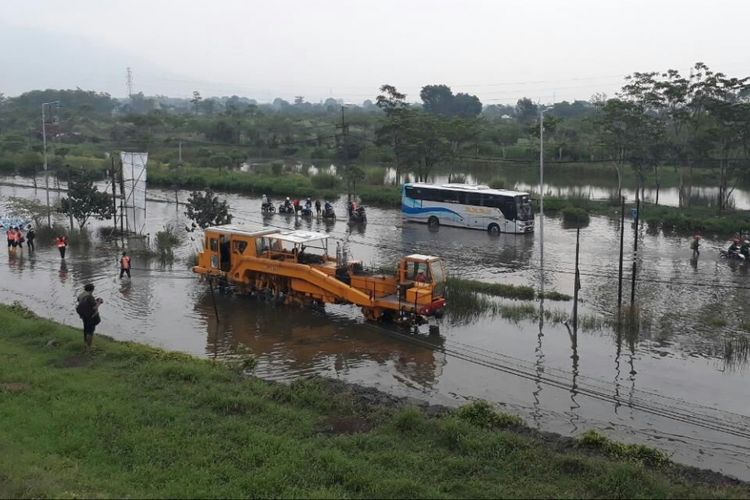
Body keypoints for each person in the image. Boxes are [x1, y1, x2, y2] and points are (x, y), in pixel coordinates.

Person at [76, 283, 103, 349]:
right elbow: (94, 307)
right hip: (91, 316)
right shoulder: (90, 297)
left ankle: (85, 344)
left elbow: (82, 303)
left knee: (85, 330)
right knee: (90, 332)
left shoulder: (81, 295)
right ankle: (89, 347)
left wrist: (94, 301)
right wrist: (99, 302)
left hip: (83, 316)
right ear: (92, 290)